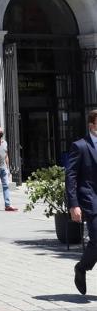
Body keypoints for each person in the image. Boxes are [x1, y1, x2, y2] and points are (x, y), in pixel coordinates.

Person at [66, 109, 97, 297]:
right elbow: (71, 176)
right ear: (92, 125)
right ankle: (81, 267)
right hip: (90, 200)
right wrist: (73, 204)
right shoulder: (80, 146)